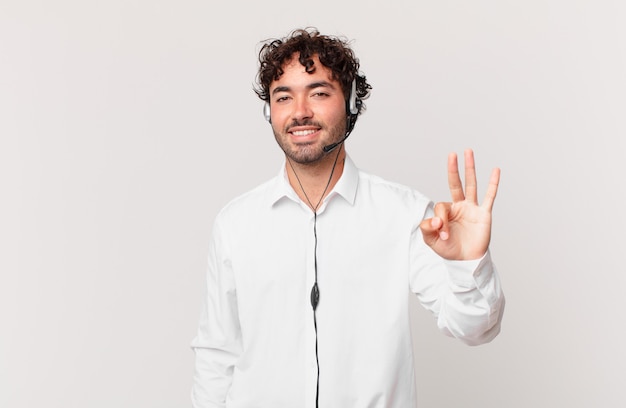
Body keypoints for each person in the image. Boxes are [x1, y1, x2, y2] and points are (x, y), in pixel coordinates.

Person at [191, 28, 505, 408]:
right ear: (269, 110)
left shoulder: (404, 214)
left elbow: (473, 329)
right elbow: (216, 355)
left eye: (319, 93)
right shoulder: (234, 224)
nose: (300, 111)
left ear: (352, 103)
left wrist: (468, 264)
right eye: (284, 97)